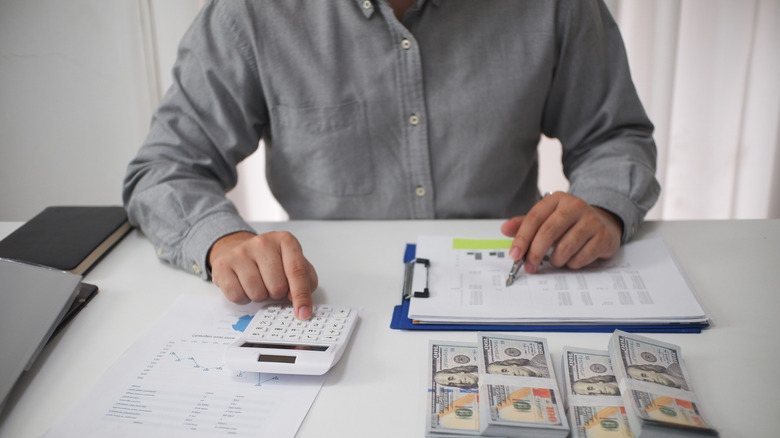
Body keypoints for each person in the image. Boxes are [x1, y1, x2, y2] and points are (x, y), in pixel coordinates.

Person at [123, 0, 660, 320]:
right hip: (328, 300)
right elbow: (167, 166)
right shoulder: (250, 14)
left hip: (515, 286)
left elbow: (614, 136)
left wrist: (602, 208)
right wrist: (223, 242)